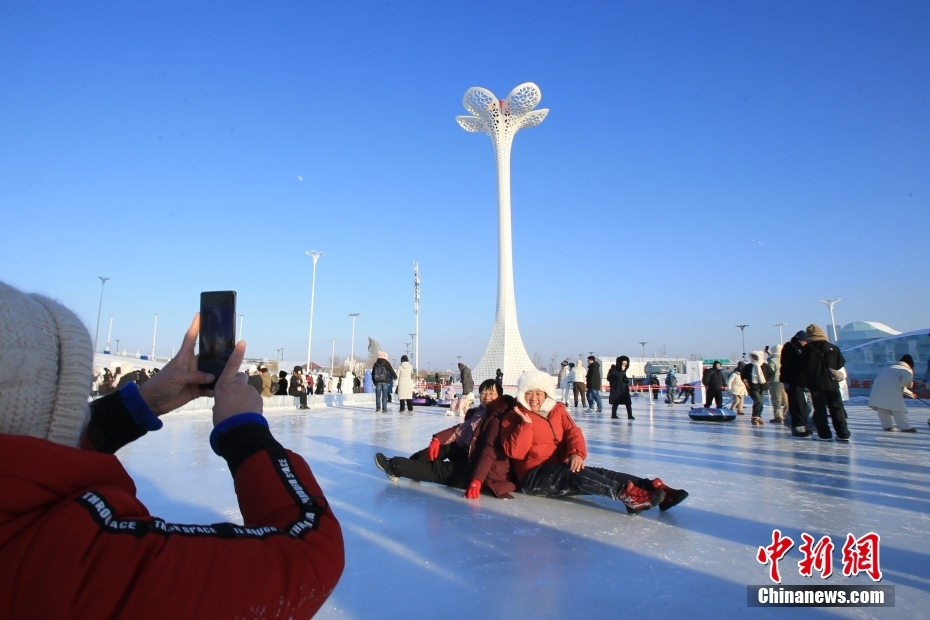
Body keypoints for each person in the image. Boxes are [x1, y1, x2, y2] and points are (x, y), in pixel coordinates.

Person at [0, 282, 344, 618]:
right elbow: (309, 551)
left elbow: (32, 457)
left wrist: (142, 402)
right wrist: (244, 431)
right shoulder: (73, 556)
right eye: (74, 400)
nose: (80, 412)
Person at [500, 371, 688, 514]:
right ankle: (629, 496)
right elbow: (515, 452)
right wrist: (525, 425)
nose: (533, 398)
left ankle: (654, 489)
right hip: (533, 476)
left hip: (561, 466)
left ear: (546, 394)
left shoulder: (557, 410)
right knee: (574, 473)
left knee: (599, 473)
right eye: (529, 393)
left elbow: (573, 432)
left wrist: (576, 453)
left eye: (538, 393)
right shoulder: (514, 416)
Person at [373, 379, 516, 498]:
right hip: (473, 455)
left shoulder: (497, 418)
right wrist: (438, 440)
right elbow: (459, 430)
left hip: (486, 472)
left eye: (492, 393)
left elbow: (488, 451)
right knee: (447, 446)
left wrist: (476, 481)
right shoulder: (481, 413)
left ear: (500, 396)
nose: (487, 396)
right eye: (484, 392)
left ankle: (395, 466)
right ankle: (412, 465)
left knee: (439, 470)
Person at [801, 324, 851, 441]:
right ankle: (843, 433)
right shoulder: (833, 348)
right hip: (832, 383)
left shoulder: (806, 350)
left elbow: (802, 367)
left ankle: (824, 434)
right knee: (837, 408)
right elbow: (840, 363)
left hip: (816, 384)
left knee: (820, 410)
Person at [868, 355, 917, 432]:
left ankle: (887, 426)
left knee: (882, 406)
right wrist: (910, 393)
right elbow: (903, 384)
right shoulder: (907, 370)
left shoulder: (889, 368)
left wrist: (909, 393)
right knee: (898, 408)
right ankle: (905, 427)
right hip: (892, 391)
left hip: (877, 390)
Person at [781, 331, 812, 437]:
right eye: (805, 341)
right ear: (800, 340)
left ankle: (800, 425)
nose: (806, 344)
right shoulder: (791, 347)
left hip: (798, 381)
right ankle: (797, 427)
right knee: (797, 404)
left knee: (802, 404)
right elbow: (797, 363)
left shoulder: (796, 347)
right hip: (793, 380)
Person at [741, 351, 771, 425]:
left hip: (763, 386)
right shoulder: (748, 366)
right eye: (753, 356)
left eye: (755, 356)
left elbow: (772, 374)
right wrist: (745, 380)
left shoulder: (765, 366)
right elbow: (743, 374)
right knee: (758, 401)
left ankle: (758, 417)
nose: (754, 358)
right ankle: (755, 417)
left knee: (761, 402)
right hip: (752, 387)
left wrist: (767, 381)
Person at [767, 345, 787, 424]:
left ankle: (778, 416)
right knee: (786, 399)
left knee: (776, 399)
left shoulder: (772, 360)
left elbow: (770, 371)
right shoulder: (785, 358)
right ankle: (787, 415)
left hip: (775, 381)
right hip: (785, 380)